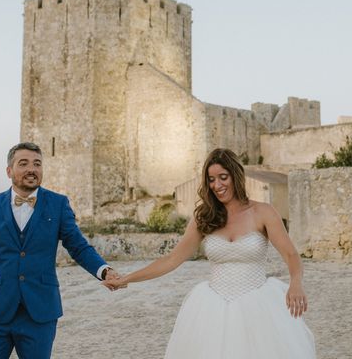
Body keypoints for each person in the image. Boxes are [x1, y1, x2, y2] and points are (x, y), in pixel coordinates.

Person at [104, 148, 316, 358]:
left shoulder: (263, 212)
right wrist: (127, 278)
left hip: (257, 307)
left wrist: (295, 283)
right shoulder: (204, 218)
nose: (217, 185)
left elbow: (291, 255)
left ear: (236, 176)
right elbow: (172, 259)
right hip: (212, 308)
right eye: (211, 180)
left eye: (223, 177)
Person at [0, 142, 122, 358]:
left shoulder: (58, 204)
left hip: (40, 313)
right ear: (9, 171)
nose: (31, 169)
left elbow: (78, 246)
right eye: (23, 164)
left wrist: (104, 270)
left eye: (37, 164)